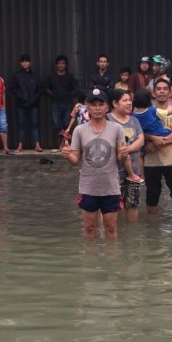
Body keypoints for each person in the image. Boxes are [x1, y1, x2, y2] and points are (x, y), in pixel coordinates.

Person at [61, 87, 127, 238]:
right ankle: (89, 261)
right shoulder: (79, 130)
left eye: (101, 104)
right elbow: (75, 160)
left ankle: (112, 259)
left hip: (110, 187)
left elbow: (120, 158)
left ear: (107, 107)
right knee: (89, 228)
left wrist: (124, 154)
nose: (97, 108)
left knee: (111, 228)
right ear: (87, 107)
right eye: (93, 104)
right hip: (88, 187)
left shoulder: (117, 128)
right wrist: (67, 155)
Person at [143, 79, 172, 216]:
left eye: (165, 89)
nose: (162, 91)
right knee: (151, 195)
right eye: (159, 89)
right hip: (151, 161)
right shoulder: (146, 112)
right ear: (154, 93)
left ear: (170, 92)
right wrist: (151, 138)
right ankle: (152, 228)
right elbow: (139, 133)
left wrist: (158, 141)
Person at [108, 89, 145, 221]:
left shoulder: (134, 120)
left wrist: (127, 150)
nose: (129, 103)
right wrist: (121, 152)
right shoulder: (108, 119)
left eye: (130, 100)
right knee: (112, 206)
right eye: (125, 100)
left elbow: (141, 140)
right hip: (113, 172)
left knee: (133, 204)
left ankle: (131, 238)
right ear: (114, 103)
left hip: (133, 171)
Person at [9, 54, 43, 153]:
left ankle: (37, 145)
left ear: (30, 63)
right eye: (22, 61)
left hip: (34, 104)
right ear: (20, 63)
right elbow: (12, 88)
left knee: (35, 124)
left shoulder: (35, 75)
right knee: (21, 125)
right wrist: (21, 96)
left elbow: (40, 89)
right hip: (21, 104)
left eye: (26, 61)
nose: (24, 63)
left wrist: (35, 98)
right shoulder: (17, 75)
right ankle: (20, 146)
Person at [45, 55, 79, 149]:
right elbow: (46, 87)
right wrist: (53, 94)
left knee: (66, 122)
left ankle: (63, 143)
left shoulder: (70, 76)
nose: (61, 65)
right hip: (55, 103)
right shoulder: (51, 76)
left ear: (66, 65)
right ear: (56, 64)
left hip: (67, 103)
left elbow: (76, 88)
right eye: (59, 63)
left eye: (63, 63)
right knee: (56, 123)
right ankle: (65, 139)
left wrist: (69, 94)